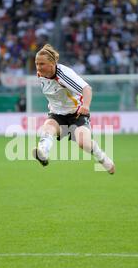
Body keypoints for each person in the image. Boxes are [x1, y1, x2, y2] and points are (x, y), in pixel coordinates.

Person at [32, 44, 115, 174]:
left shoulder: (64, 75)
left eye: (42, 64)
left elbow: (87, 89)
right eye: (37, 63)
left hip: (76, 115)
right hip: (57, 115)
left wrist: (86, 106)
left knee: (84, 143)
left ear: (52, 63)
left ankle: (103, 158)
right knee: (47, 128)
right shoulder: (41, 74)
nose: (38, 67)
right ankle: (43, 152)